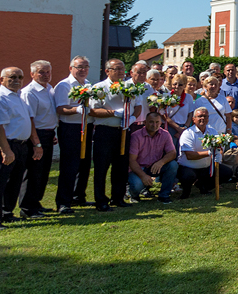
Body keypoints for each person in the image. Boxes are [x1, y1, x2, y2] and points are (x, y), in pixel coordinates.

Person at [0, 67, 41, 229]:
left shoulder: (18, 97)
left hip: (19, 145)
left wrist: (35, 144)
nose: (17, 80)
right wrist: (6, 150)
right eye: (12, 77)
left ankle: (6, 213)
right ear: (1, 79)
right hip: (4, 145)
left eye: (20, 77)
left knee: (13, 182)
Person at [90, 59, 142, 211]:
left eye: (123, 69)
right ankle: (100, 200)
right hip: (105, 130)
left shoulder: (130, 86)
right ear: (107, 71)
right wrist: (113, 113)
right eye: (117, 69)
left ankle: (118, 197)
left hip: (124, 130)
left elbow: (137, 105)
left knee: (121, 165)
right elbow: (93, 110)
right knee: (102, 167)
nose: (121, 72)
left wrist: (133, 117)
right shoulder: (99, 88)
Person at [53, 56, 95, 213]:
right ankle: (63, 201)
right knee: (69, 165)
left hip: (87, 125)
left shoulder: (88, 84)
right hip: (70, 128)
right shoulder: (64, 85)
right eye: (79, 67)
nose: (83, 70)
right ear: (71, 68)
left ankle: (79, 196)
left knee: (84, 164)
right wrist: (76, 109)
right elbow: (60, 108)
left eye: (86, 67)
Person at [19, 59, 57, 218]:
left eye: (48, 71)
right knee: (33, 172)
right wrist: (37, 143)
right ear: (32, 74)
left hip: (48, 133)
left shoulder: (49, 89)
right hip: (36, 135)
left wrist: (52, 133)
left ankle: (36, 203)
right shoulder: (29, 92)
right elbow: (31, 120)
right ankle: (27, 208)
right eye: (41, 72)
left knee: (43, 172)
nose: (46, 75)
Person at [127, 112, 178, 204]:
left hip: (155, 166)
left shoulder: (165, 134)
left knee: (173, 165)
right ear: (145, 122)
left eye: (157, 122)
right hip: (138, 168)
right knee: (137, 185)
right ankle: (133, 195)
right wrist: (143, 176)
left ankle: (164, 195)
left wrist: (161, 162)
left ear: (160, 123)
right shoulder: (136, 136)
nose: (154, 125)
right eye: (151, 122)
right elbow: (132, 160)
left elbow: (172, 153)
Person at [177, 108, 220, 199]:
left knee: (226, 173)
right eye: (200, 116)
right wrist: (209, 153)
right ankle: (186, 191)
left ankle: (203, 186)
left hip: (206, 167)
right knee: (188, 176)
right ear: (194, 119)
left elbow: (219, 147)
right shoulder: (187, 133)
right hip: (188, 167)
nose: (203, 118)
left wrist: (219, 153)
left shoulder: (213, 131)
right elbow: (190, 155)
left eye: (205, 116)